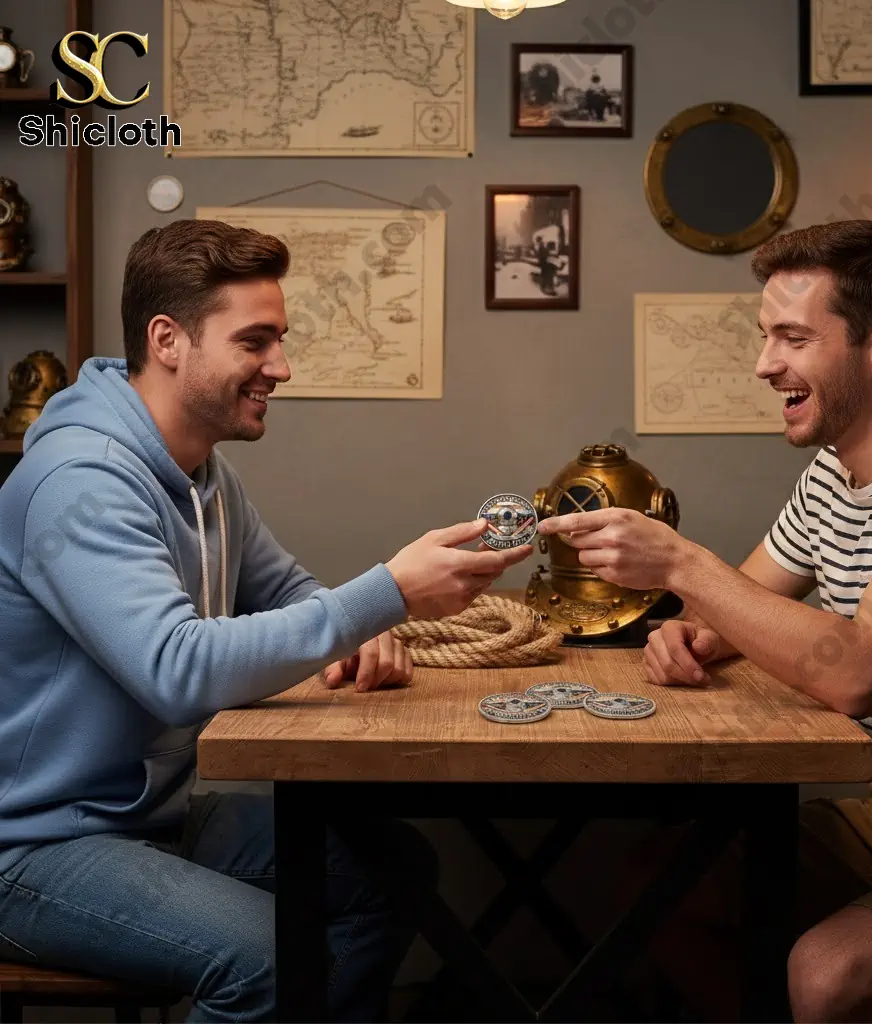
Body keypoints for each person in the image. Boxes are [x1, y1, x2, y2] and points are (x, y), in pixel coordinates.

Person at [0, 219, 532, 1022]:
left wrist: (368, 626)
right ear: (169, 340)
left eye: (278, 340)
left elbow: (286, 589)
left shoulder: (200, 473)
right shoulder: (81, 481)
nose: (280, 366)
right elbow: (179, 671)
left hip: (152, 813)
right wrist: (385, 594)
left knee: (390, 870)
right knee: (273, 960)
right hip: (33, 845)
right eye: (256, 342)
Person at [536, 219, 872, 1022]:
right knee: (659, 886)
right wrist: (685, 629)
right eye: (767, 337)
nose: (765, 365)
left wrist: (682, 565)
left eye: (792, 339)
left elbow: (858, 673)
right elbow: (738, 608)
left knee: (828, 974)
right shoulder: (836, 471)